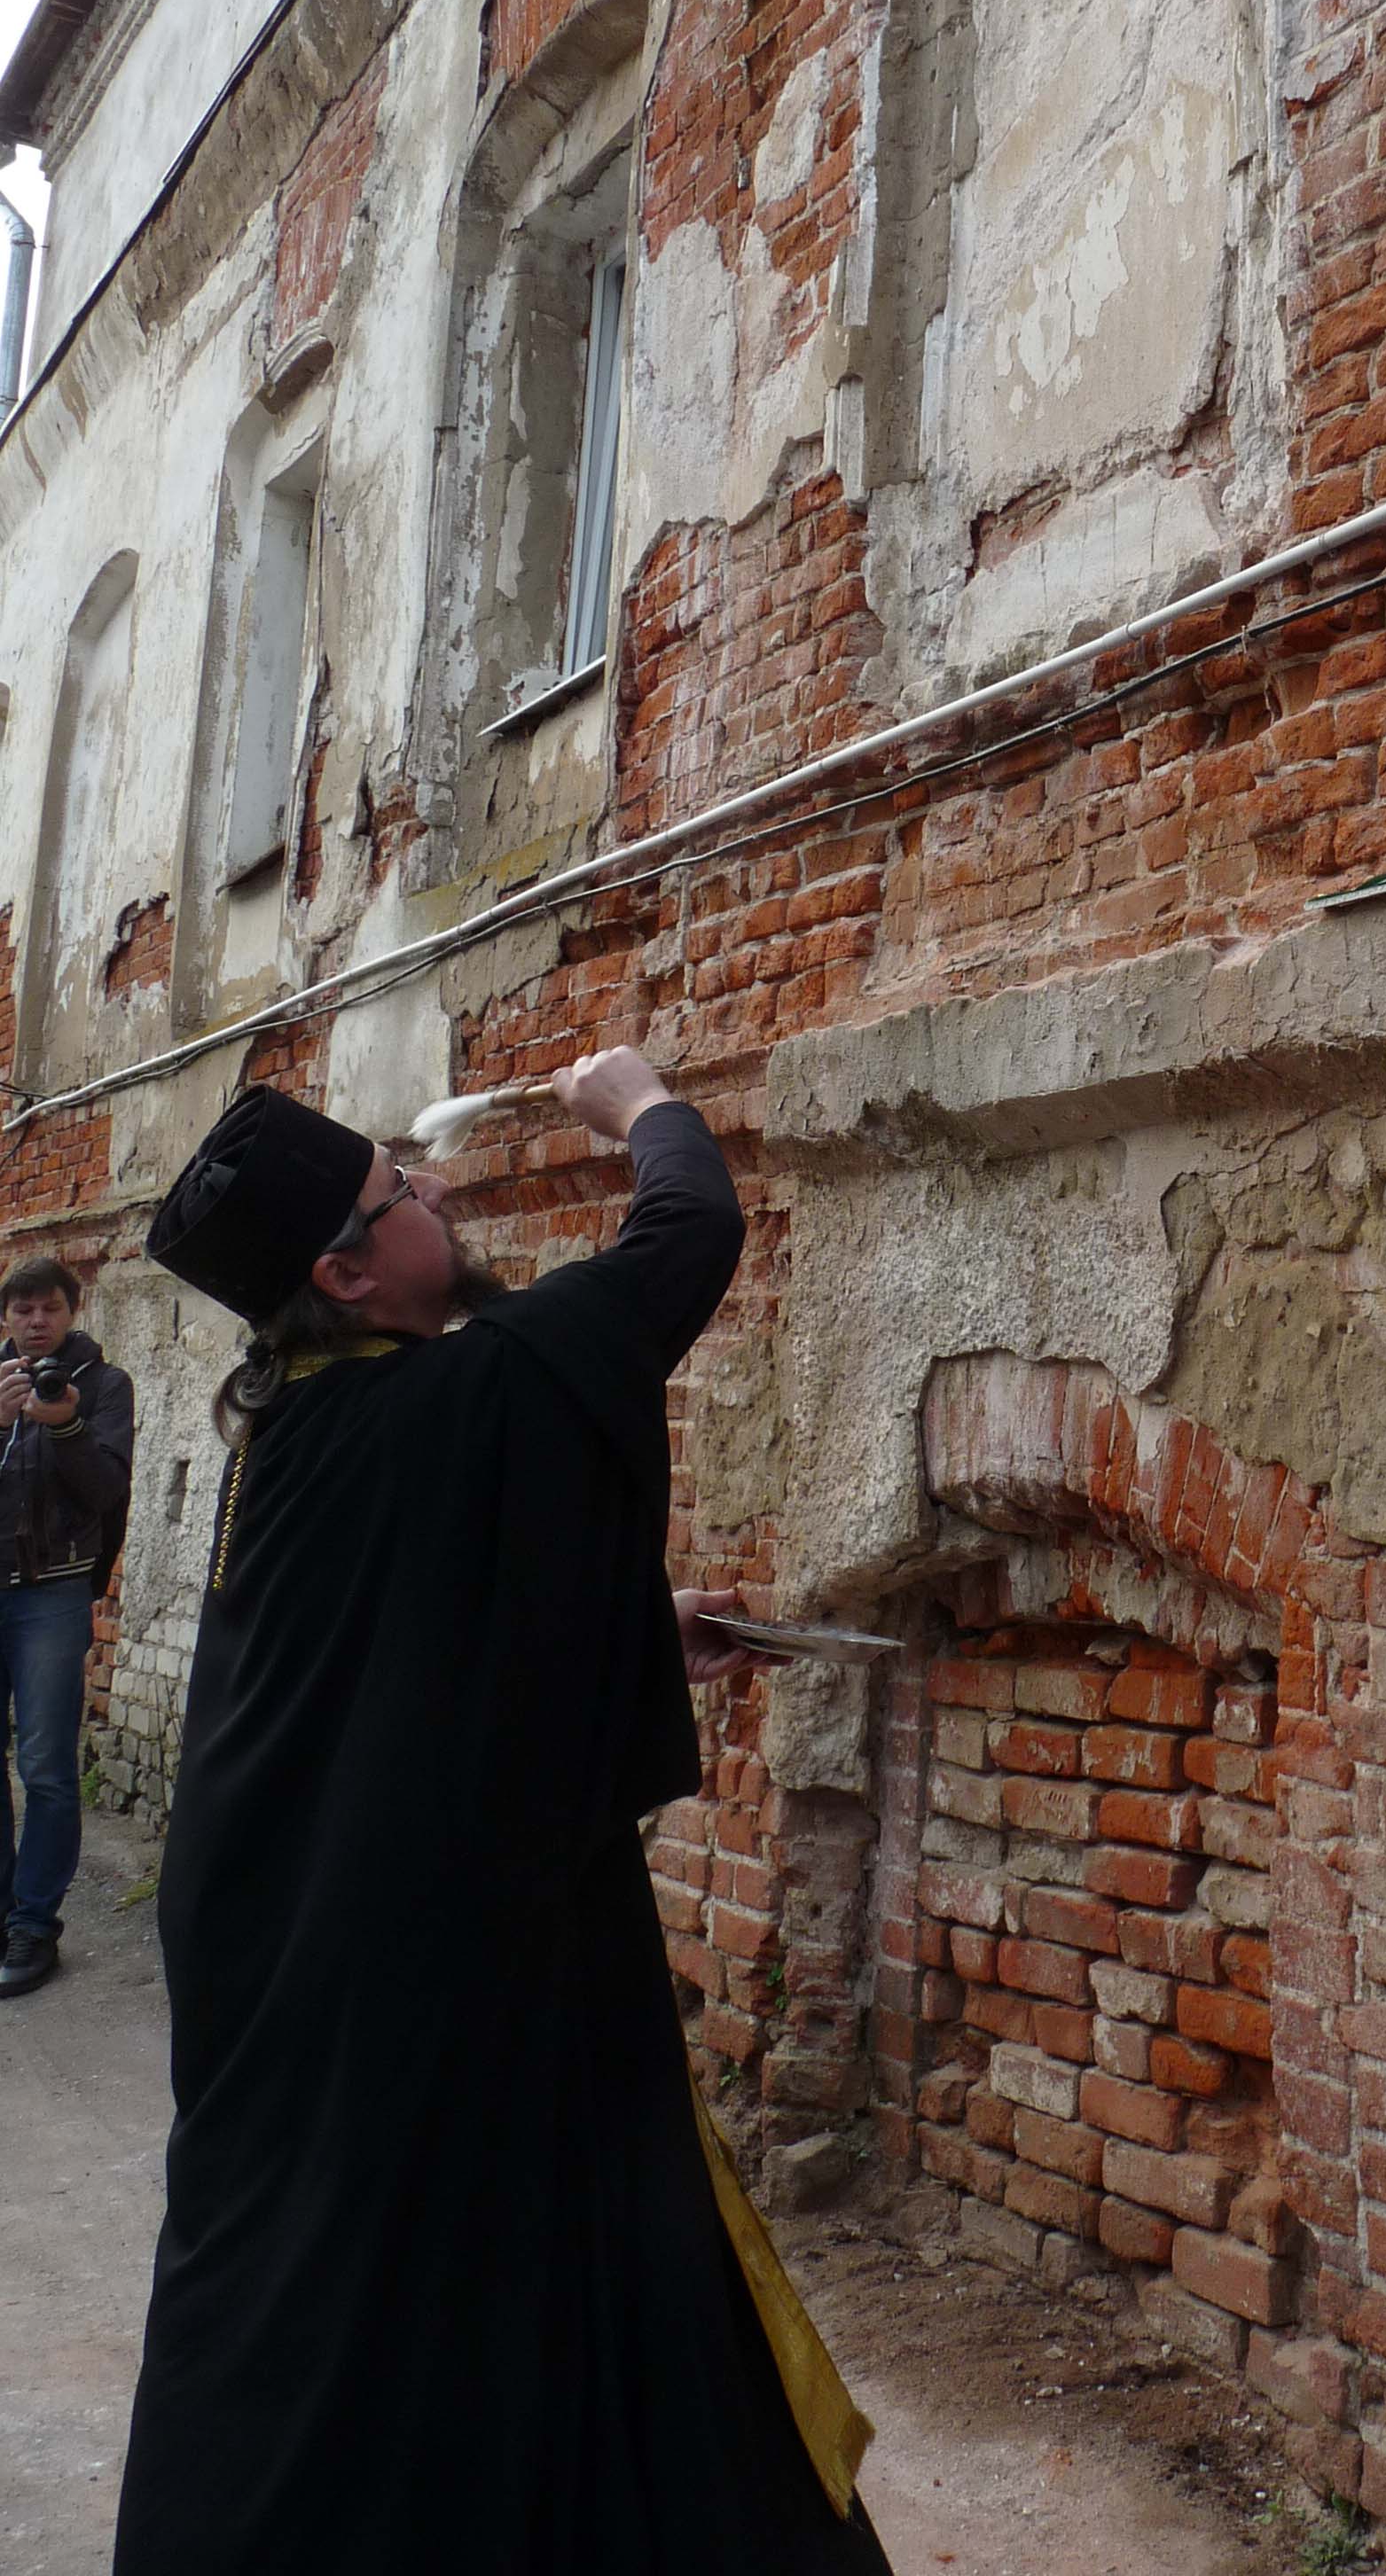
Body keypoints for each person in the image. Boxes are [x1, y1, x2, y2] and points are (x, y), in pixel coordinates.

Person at [118, 1050, 893, 2576]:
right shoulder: (446, 1397)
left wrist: (631, 1631)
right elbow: (683, 1244)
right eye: (398, 1191)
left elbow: (405, 1670)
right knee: (400, 2321)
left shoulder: (306, 1421)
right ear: (344, 1267)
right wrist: (644, 1107)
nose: (435, 1191)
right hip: (421, 1989)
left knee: (405, 2307)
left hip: (310, 1961)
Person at [0, 1251, 135, 1995]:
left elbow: (109, 1489)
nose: (35, 1323)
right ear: (6, 1318)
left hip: (52, 1593)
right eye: (22, 1311)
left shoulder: (105, 1386)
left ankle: (34, 1927)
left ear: (70, 1311)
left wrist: (66, 1427)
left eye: (48, 1308)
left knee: (47, 1766)